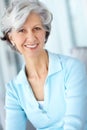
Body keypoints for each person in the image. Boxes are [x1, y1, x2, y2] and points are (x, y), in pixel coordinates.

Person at [0, 0, 87, 130]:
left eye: (36, 28)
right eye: (22, 30)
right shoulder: (14, 91)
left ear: (45, 32)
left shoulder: (72, 68)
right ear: (11, 38)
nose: (31, 37)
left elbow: (75, 125)